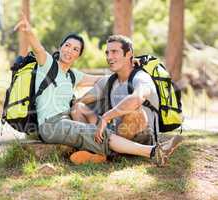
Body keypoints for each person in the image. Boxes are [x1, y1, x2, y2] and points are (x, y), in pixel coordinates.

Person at [16, 15, 182, 167]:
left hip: (68, 120)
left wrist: (129, 63)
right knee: (89, 128)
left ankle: (96, 153)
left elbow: (102, 79)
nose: (69, 50)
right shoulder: (48, 64)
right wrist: (28, 31)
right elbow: (38, 49)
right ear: (60, 47)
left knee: (79, 109)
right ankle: (154, 152)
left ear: (78, 56)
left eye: (75, 49)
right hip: (51, 124)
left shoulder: (73, 76)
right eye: (67, 45)